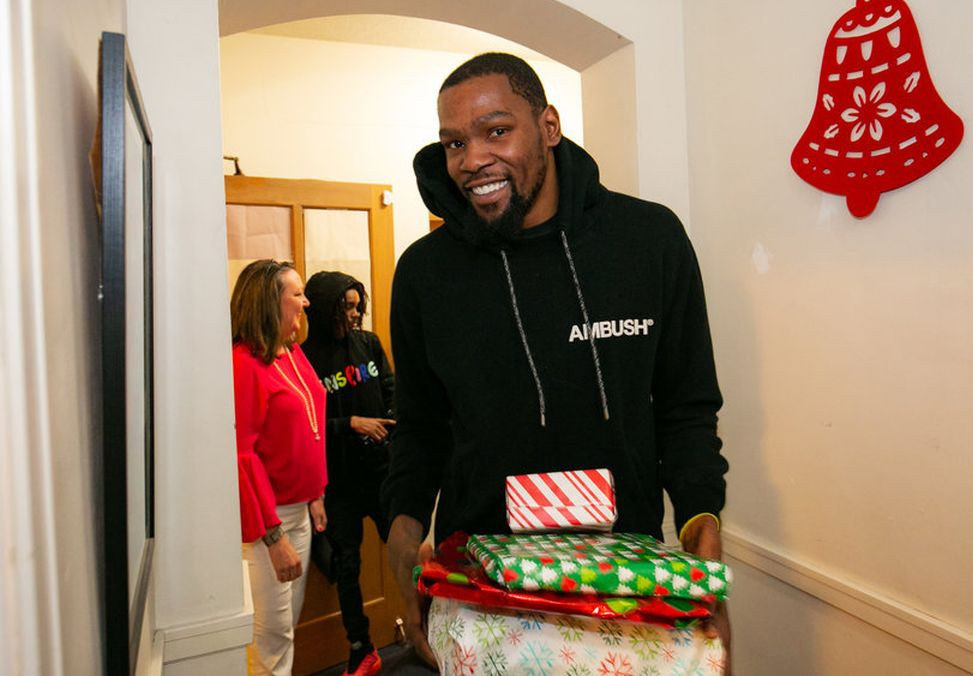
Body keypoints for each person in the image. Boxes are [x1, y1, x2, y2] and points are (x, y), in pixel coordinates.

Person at [381, 52, 731, 667]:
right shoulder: (424, 274)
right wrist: (404, 550)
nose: (472, 160)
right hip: (479, 594)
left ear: (548, 126)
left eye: (496, 131)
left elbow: (686, 409)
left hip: (628, 589)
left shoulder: (648, 242)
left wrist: (704, 533)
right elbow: (420, 430)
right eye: (454, 142)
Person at [231, 259, 328, 676]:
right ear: (271, 302)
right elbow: (242, 456)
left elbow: (309, 424)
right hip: (266, 524)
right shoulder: (243, 362)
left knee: (286, 627)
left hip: (300, 511)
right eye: (297, 294)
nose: (306, 303)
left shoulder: (290, 352)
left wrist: (316, 494)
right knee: (270, 639)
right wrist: (273, 536)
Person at [301, 271, 395, 676]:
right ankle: (361, 648)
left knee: (406, 551)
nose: (356, 314)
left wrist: (389, 422)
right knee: (347, 568)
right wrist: (350, 422)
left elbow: (391, 388)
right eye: (347, 307)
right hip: (337, 482)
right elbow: (306, 422)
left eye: (359, 306)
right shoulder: (303, 357)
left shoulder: (368, 343)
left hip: (381, 472)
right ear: (326, 310)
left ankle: (427, 627)